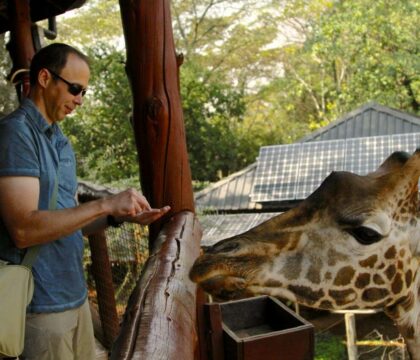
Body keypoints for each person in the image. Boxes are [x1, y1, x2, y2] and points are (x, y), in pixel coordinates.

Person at [0, 43, 170, 360]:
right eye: (75, 88)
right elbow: (23, 229)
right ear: (45, 78)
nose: (79, 99)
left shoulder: (61, 142)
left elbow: (69, 220)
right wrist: (105, 204)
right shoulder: (16, 135)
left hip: (75, 297)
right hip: (40, 307)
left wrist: (120, 216)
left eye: (84, 92)